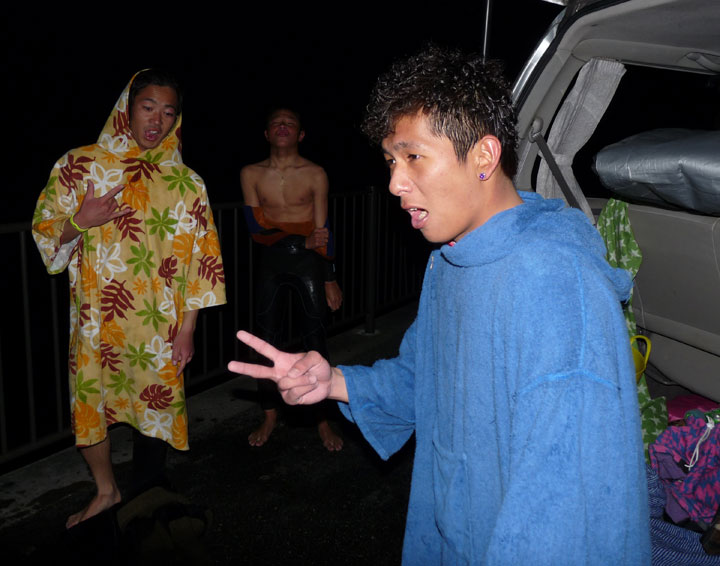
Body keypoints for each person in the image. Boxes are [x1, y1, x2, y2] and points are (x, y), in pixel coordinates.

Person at [228, 45, 651, 564]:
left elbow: (569, 512)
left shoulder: (558, 286)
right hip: (455, 526)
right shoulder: (451, 259)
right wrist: (334, 382)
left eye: (413, 157)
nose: (394, 183)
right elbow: (423, 375)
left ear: (484, 158)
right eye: (390, 160)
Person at [32, 69, 226, 528]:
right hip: (97, 319)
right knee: (91, 404)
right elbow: (45, 231)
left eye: (168, 112)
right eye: (148, 107)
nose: (157, 120)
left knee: (154, 403)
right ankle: (106, 490)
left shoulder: (187, 182)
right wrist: (79, 221)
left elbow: (201, 260)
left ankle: (146, 492)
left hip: (159, 323)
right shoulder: (79, 165)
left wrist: (188, 329)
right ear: (127, 108)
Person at [240, 108, 343, 451]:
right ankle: (269, 415)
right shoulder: (251, 173)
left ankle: (322, 420)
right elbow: (256, 230)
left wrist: (329, 278)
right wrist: (301, 240)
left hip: (309, 265)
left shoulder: (316, 174)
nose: (282, 126)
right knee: (264, 341)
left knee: (316, 340)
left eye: (290, 122)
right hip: (271, 263)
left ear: (300, 134)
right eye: (275, 122)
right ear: (267, 134)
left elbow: (323, 232)